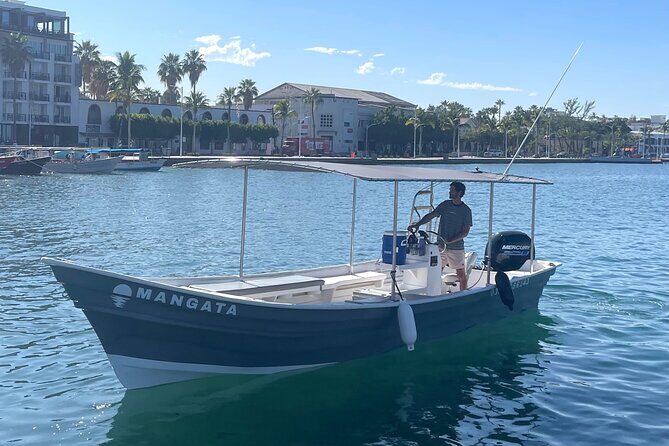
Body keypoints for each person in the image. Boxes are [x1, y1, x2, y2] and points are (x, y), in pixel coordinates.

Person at [408, 181, 472, 291]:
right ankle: (435, 293)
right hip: (441, 247)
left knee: (461, 275)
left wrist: (450, 240)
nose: (450, 192)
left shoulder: (466, 210)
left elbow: (465, 232)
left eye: (452, 190)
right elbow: (431, 215)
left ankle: (464, 294)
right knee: (436, 271)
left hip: (456, 248)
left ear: (459, 192)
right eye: (450, 190)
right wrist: (418, 224)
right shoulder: (445, 205)